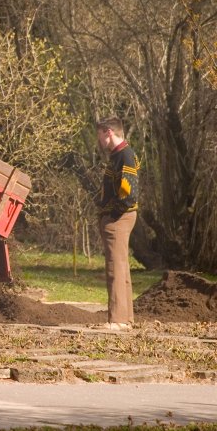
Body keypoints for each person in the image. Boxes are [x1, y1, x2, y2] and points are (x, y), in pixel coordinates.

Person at [95, 116, 140, 331]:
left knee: (115, 267)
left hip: (120, 218)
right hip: (117, 217)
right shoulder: (117, 155)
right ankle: (126, 319)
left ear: (108, 132)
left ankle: (117, 320)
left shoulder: (125, 155)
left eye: (99, 135)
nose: (99, 140)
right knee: (121, 267)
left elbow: (129, 193)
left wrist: (113, 214)